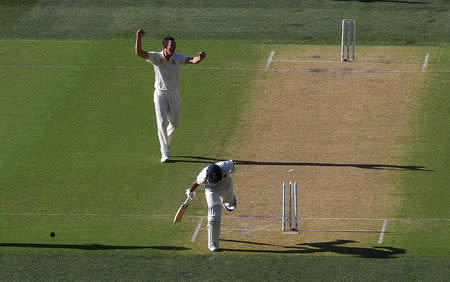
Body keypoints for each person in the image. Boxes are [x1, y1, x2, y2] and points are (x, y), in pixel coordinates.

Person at [135, 29, 206, 162]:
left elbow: (192, 60)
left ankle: (165, 144)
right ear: (164, 47)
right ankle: (165, 152)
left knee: (175, 123)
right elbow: (139, 52)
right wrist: (139, 38)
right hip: (160, 94)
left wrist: (200, 58)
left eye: (174, 47)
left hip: (174, 94)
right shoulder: (156, 57)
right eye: (171, 47)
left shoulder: (177, 57)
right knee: (161, 122)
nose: (173, 49)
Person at [185, 160, 237, 252]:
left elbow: (232, 163)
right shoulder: (203, 175)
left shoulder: (224, 166)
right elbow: (196, 183)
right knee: (214, 213)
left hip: (226, 186)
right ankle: (213, 244)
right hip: (211, 191)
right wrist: (190, 191)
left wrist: (233, 169)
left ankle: (227, 200)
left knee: (230, 203)